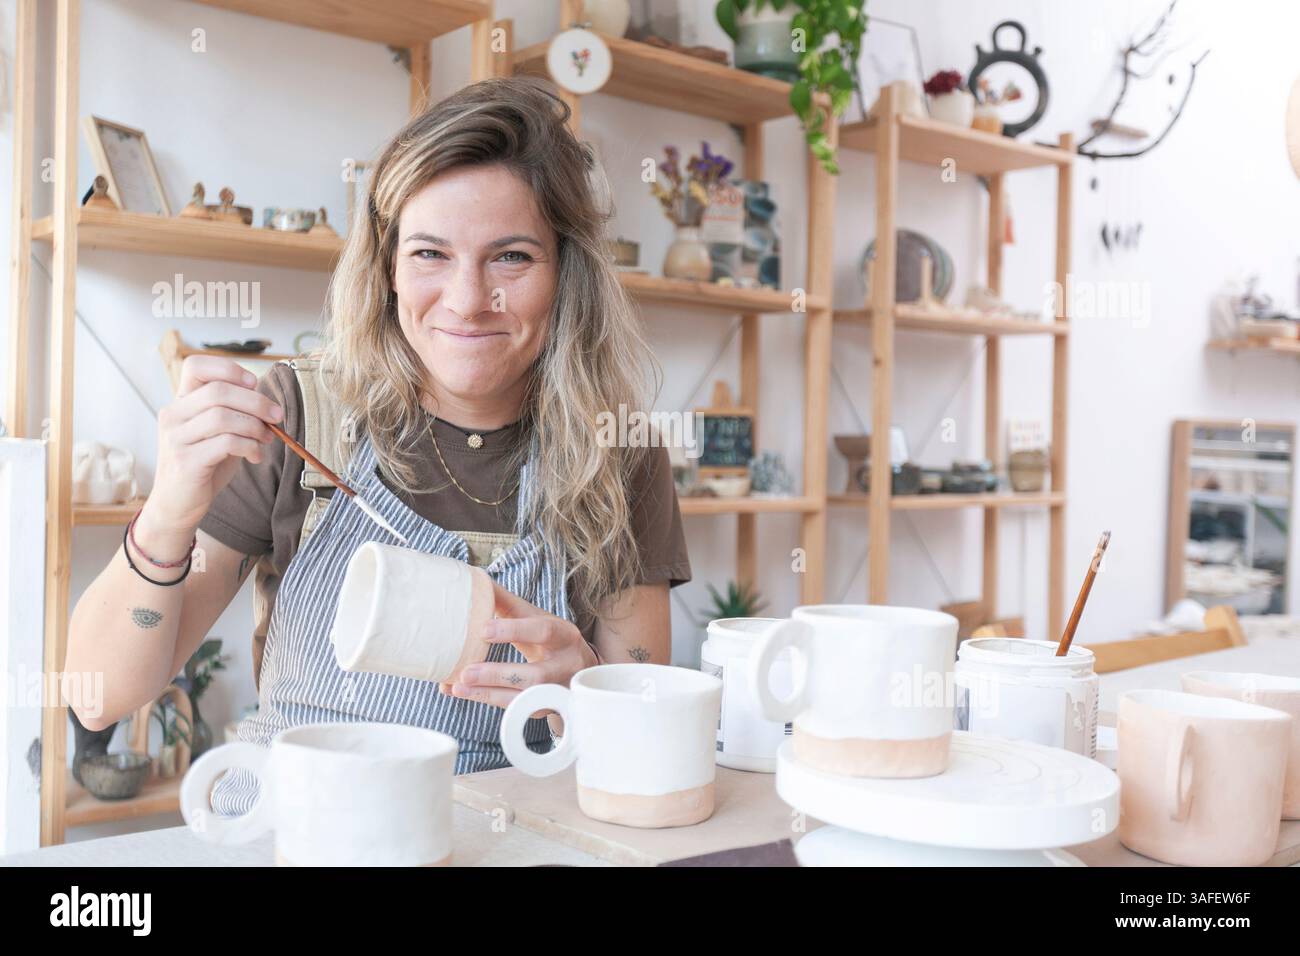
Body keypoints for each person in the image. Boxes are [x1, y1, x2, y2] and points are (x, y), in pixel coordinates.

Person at [66, 77, 690, 811]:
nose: (465, 299)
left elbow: (647, 744)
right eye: (430, 254)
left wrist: (584, 687)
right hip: (295, 832)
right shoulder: (297, 418)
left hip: (512, 836)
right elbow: (102, 697)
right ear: (389, 268)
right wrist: (169, 512)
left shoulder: (617, 455)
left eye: (512, 257)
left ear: (567, 273)